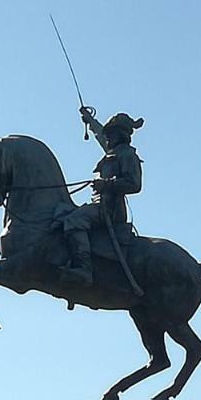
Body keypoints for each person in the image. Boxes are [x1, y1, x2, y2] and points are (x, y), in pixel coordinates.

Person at [55, 107, 144, 286]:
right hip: (98, 205)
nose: (108, 137)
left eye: (111, 133)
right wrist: (89, 120)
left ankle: (84, 268)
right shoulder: (112, 152)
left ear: (121, 134)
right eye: (108, 134)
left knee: (74, 220)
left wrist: (107, 184)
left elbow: (134, 184)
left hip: (111, 209)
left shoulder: (127, 155)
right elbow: (100, 135)